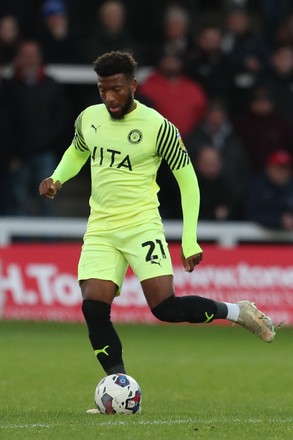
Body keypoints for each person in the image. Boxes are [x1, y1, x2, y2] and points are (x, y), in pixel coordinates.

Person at [39, 51, 275, 410]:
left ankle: (237, 312)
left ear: (132, 85)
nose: (110, 98)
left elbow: (189, 181)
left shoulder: (158, 127)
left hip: (141, 226)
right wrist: (57, 178)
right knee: (93, 307)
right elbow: (77, 151)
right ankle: (118, 388)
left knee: (164, 307)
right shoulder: (89, 118)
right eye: (103, 90)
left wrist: (191, 238)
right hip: (101, 228)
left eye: (117, 89)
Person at [245, 149, 293, 230]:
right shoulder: (258, 187)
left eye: (286, 168)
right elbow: (251, 213)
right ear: (269, 168)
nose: (283, 172)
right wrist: (279, 220)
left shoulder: (290, 187)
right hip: (258, 238)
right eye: (279, 168)